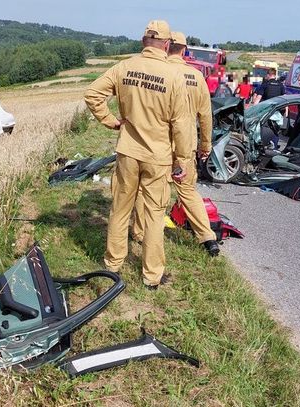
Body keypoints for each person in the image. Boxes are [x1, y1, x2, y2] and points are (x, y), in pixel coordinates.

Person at [84, 20, 193, 290]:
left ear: (144, 41)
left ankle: (113, 264)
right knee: (155, 214)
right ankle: (151, 276)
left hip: (128, 152)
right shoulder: (174, 76)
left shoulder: (124, 67)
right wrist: (183, 160)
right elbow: (181, 124)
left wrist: (111, 120)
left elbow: (92, 94)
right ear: (166, 45)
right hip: (158, 156)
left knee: (120, 209)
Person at [132, 31, 220, 257]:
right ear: (184, 49)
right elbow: (205, 116)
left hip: (157, 143)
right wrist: (205, 145)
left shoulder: (157, 72)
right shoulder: (195, 76)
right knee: (188, 191)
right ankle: (207, 238)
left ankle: (140, 233)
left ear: (165, 46)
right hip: (185, 145)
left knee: (147, 190)